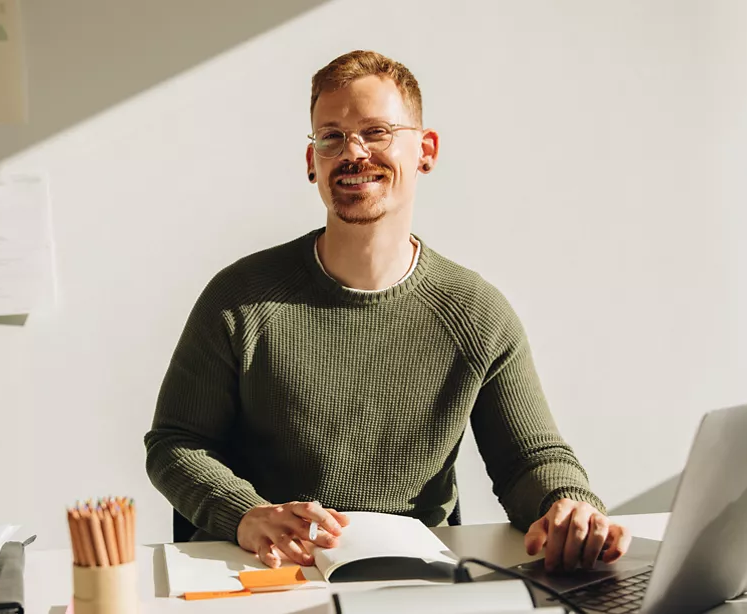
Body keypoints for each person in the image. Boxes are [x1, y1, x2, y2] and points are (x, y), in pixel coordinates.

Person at [144, 50, 630, 573]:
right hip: (265, 575)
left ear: (426, 149)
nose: (353, 152)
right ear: (312, 162)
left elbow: (528, 460)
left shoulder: (476, 312)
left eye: (377, 132)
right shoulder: (239, 297)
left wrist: (567, 504)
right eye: (331, 136)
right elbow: (176, 444)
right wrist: (246, 513)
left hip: (413, 580)